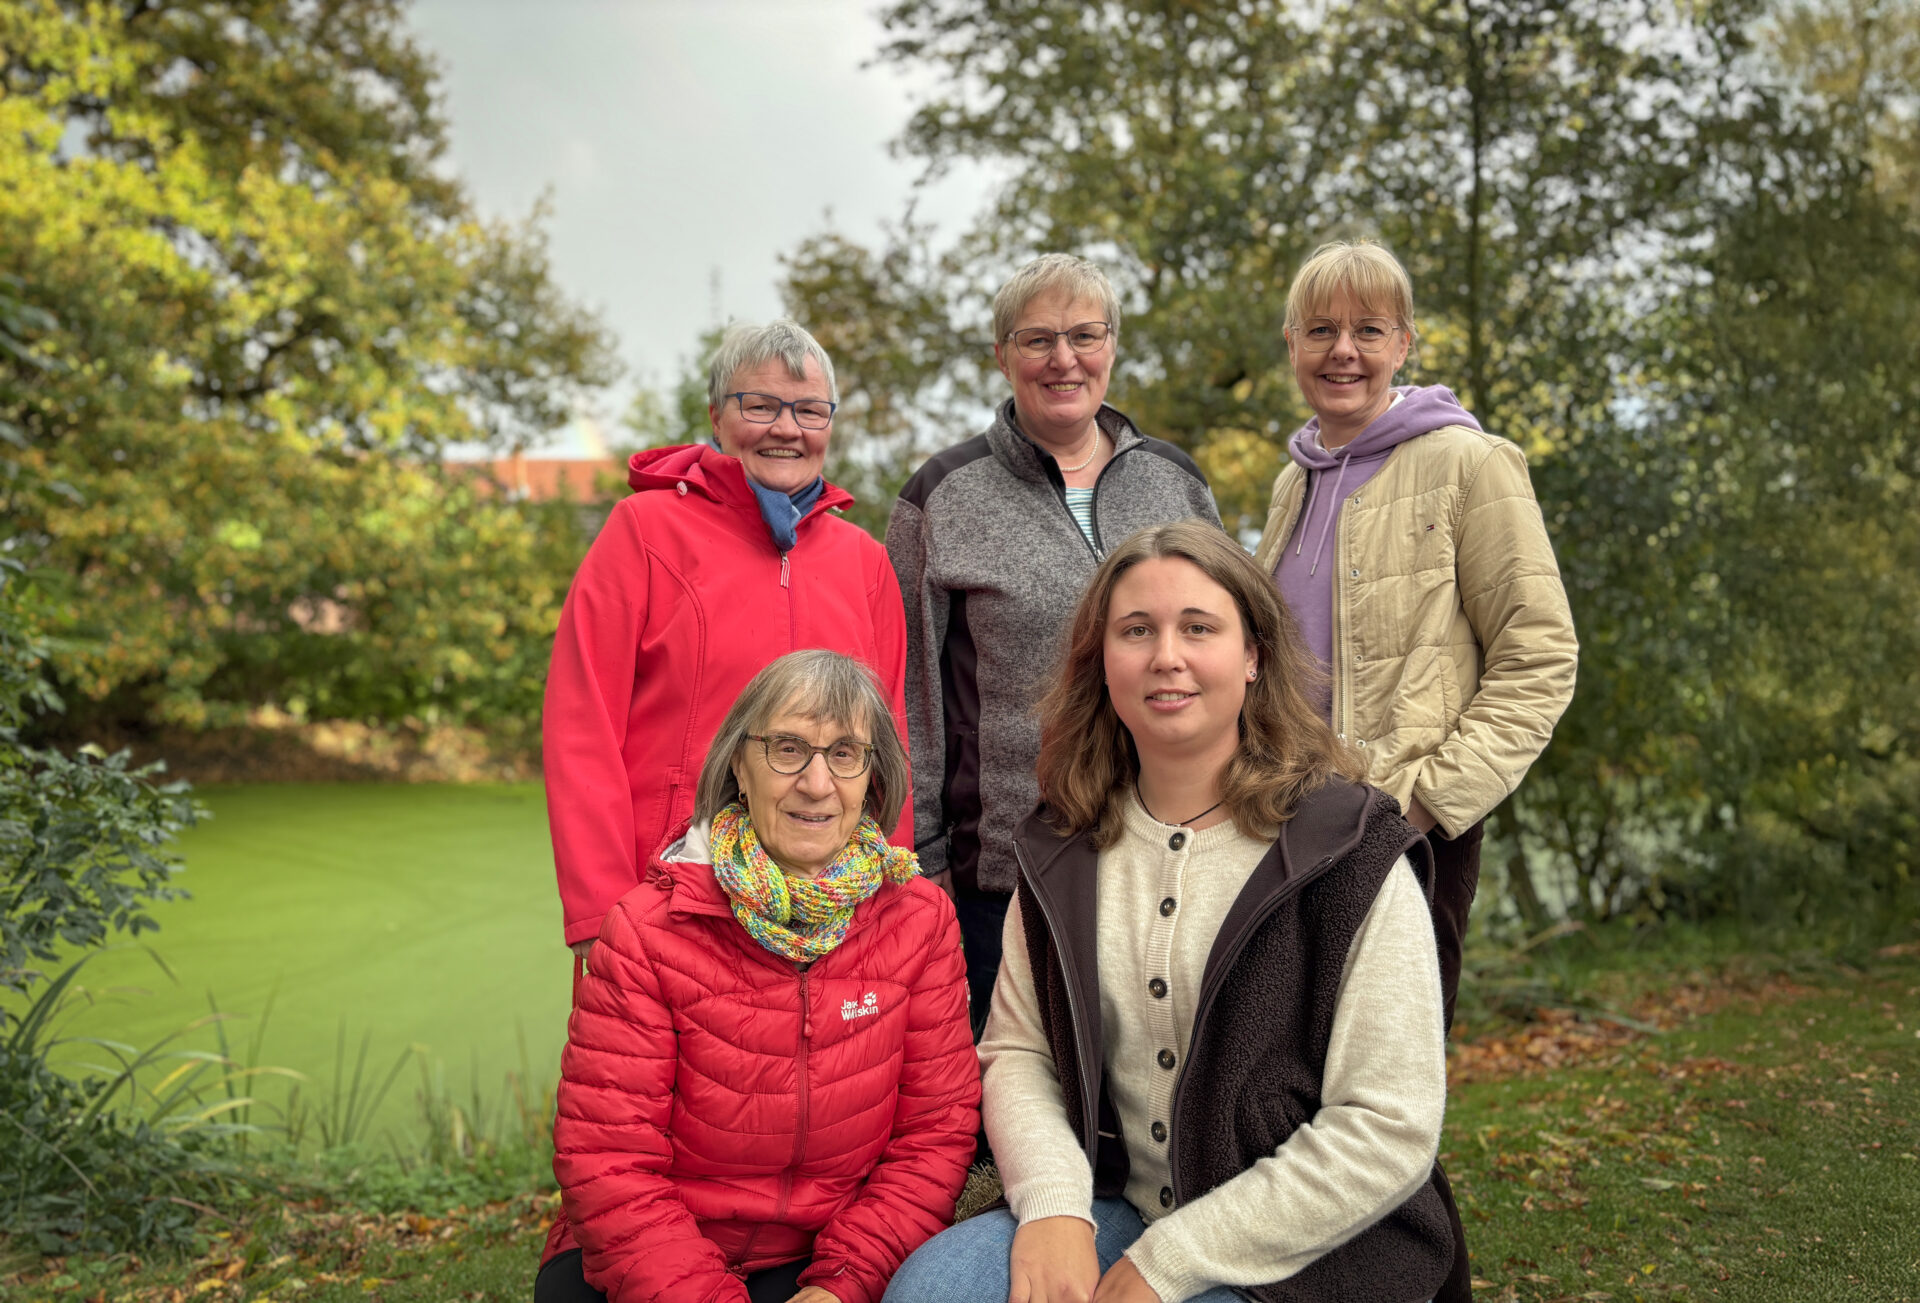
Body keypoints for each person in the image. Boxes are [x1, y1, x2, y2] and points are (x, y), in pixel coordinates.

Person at [884, 521, 1452, 1303]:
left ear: (1253, 656)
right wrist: (1053, 1204)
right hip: (1113, 1204)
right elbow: (1018, 1051)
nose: (1166, 657)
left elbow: (1389, 1126)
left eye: (1199, 628)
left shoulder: (1349, 851)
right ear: (1103, 661)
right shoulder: (1061, 845)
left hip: (1304, 1241)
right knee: (933, 1291)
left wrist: (1172, 1259)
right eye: (1136, 630)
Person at [1254, 239, 1580, 1301]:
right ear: (1293, 345)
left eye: (1368, 330)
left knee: (1385, 1109)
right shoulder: (1292, 480)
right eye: (1320, 330)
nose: (1343, 351)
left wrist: (1430, 802)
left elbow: (1541, 655)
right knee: (1289, 1097)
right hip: (1284, 830)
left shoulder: (1468, 464)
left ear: (1404, 343)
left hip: (1404, 831)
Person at [539, 649, 979, 1303]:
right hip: (660, 1255)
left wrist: (843, 1283)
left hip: (833, 1254)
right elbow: (608, 1156)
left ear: (873, 779)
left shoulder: (919, 920)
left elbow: (934, 1134)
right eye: (788, 748)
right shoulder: (646, 929)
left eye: (845, 753)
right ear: (739, 764)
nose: (816, 781)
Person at [886, 254, 1221, 1036]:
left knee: (1146, 1086)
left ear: (1111, 346)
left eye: (1084, 335)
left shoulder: (1174, 482)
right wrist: (922, 855)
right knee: (1006, 1101)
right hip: (1000, 869)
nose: (1063, 359)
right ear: (1002, 356)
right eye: (1037, 339)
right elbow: (910, 693)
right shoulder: (942, 495)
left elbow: (1229, 648)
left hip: (1170, 843)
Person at [545, 319, 912, 964]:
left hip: (825, 913)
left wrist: (884, 900)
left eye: (809, 410)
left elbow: (888, 745)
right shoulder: (643, 533)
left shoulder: (866, 562)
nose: (786, 428)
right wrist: (601, 911)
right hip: (669, 902)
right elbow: (582, 724)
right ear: (717, 417)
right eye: (760, 405)